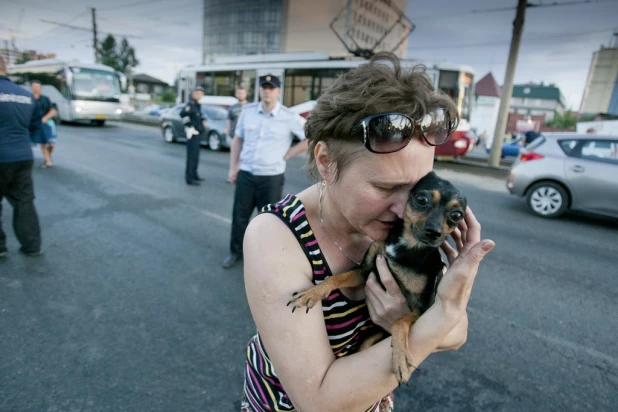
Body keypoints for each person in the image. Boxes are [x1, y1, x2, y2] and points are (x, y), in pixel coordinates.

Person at [239, 53, 495, 411]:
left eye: (417, 189)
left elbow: (457, 335)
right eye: (385, 187)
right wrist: (438, 315)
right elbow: (319, 402)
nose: (406, 210)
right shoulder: (277, 237)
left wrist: (438, 306)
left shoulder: (407, 232)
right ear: (326, 163)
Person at [222, 74, 308, 269]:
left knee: (269, 221)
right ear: (260, 90)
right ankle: (236, 252)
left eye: (271, 88)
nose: (267, 91)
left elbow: (310, 137)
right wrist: (233, 168)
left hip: (271, 177)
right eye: (264, 87)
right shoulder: (248, 112)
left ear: (278, 92)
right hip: (246, 174)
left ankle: (263, 259)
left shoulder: (288, 116)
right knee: (239, 217)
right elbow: (237, 140)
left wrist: (289, 154)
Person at [0, 55, 44, 258]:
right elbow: (36, 126)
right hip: (22, 155)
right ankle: (32, 246)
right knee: (24, 201)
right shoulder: (25, 95)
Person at [180, 86, 206, 186]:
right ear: (193, 94)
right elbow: (183, 115)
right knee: (191, 157)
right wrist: (190, 125)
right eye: (197, 93)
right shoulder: (190, 104)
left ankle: (195, 174)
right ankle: (189, 178)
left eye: (200, 93)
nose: (198, 95)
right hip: (193, 133)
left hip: (198, 133)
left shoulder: (198, 105)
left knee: (196, 156)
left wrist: (202, 120)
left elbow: (198, 115)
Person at [30, 80, 58, 168]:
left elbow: (53, 110)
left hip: (47, 123)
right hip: (35, 124)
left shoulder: (45, 99)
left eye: (37, 87)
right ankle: (48, 161)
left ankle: (47, 157)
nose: (36, 88)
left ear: (41, 88)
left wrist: (45, 118)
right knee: (43, 142)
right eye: (34, 87)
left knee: (51, 144)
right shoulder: (29, 98)